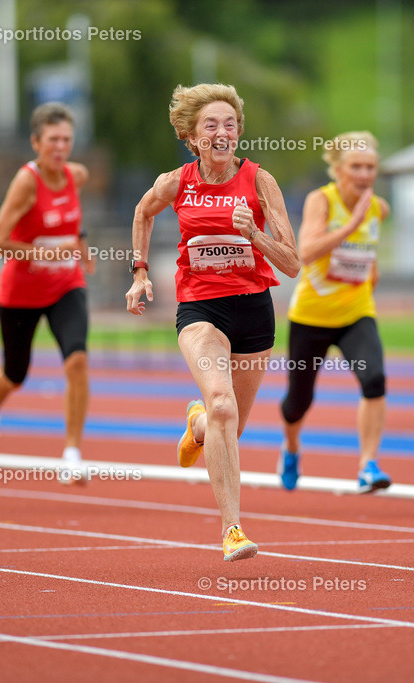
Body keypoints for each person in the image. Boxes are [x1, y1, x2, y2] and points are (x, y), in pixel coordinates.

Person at [126, 83, 300, 562]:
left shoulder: (261, 182)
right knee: (223, 403)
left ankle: (197, 424)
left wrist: (254, 234)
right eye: (211, 125)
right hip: (201, 309)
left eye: (230, 124)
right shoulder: (175, 182)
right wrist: (139, 272)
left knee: (228, 424)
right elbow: (142, 212)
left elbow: (292, 263)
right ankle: (232, 530)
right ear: (191, 136)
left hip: (253, 309)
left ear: (239, 132)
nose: (222, 133)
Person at [0, 103, 94, 472]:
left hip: (65, 286)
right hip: (21, 294)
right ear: (36, 142)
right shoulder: (27, 182)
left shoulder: (77, 175)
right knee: (15, 374)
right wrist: (46, 250)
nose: (61, 147)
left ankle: (72, 453)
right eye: (53, 140)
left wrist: (81, 244)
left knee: (77, 360)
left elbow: (72, 221)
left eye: (67, 140)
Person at [277, 131, 392, 493]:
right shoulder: (321, 201)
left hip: (356, 312)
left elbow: (367, 253)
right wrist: (349, 226)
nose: (364, 174)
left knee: (374, 379)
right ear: (338, 170)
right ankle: (291, 448)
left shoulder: (380, 208)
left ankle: (367, 465)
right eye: (356, 166)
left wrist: (368, 271)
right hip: (311, 316)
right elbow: (305, 252)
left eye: (370, 167)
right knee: (299, 401)